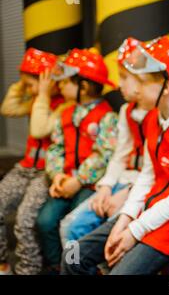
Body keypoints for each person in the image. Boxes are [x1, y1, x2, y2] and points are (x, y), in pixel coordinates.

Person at [61, 36, 169, 275]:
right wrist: (124, 219)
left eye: (141, 81)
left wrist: (133, 231)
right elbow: (147, 176)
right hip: (145, 214)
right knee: (73, 256)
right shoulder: (152, 118)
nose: (133, 88)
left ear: (168, 85)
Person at [59, 37, 152, 245]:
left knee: (112, 233)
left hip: (143, 189)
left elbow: (152, 171)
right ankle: (76, 266)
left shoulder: (157, 114)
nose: (119, 85)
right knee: (71, 226)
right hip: (122, 181)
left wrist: (124, 194)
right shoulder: (126, 111)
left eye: (125, 78)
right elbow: (119, 155)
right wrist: (106, 187)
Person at [36, 48, 118, 274]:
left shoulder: (107, 116)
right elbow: (56, 148)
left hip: (90, 185)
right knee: (45, 221)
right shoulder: (65, 114)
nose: (60, 85)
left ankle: (79, 267)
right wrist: (58, 175)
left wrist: (78, 180)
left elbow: (104, 155)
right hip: (65, 182)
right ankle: (58, 266)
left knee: (74, 225)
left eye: (65, 82)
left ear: (83, 86)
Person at [0, 48, 70, 275]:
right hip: (25, 168)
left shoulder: (65, 105)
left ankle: (28, 270)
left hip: (46, 173)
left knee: (24, 220)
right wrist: (25, 82)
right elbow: (8, 108)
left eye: (31, 85)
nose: (27, 91)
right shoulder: (36, 98)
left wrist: (43, 95)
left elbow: (40, 130)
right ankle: (3, 264)